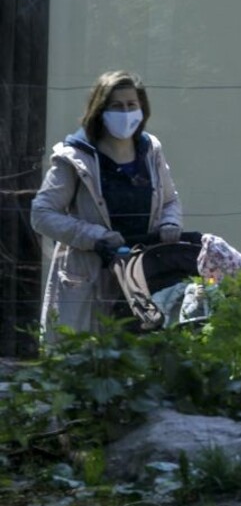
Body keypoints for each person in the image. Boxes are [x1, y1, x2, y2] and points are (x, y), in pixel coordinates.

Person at [30, 70, 183, 340]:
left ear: (142, 109)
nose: (125, 113)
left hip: (143, 278)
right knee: (87, 364)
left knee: (141, 363)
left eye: (131, 105)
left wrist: (170, 223)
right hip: (90, 278)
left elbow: (170, 200)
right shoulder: (75, 157)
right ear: (100, 110)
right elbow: (42, 214)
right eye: (116, 106)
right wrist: (96, 237)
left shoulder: (151, 151)